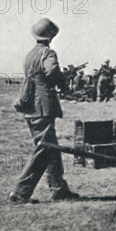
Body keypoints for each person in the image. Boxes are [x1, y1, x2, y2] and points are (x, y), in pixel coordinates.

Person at [9, 18, 79, 204]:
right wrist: (63, 82)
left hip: (31, 106)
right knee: (45, 149)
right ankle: (20, 192)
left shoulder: (30, 55)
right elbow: (52, 70)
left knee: (51, 148)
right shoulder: (48, 53)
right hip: (42, 107)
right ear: (51, 37)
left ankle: (58, 188)